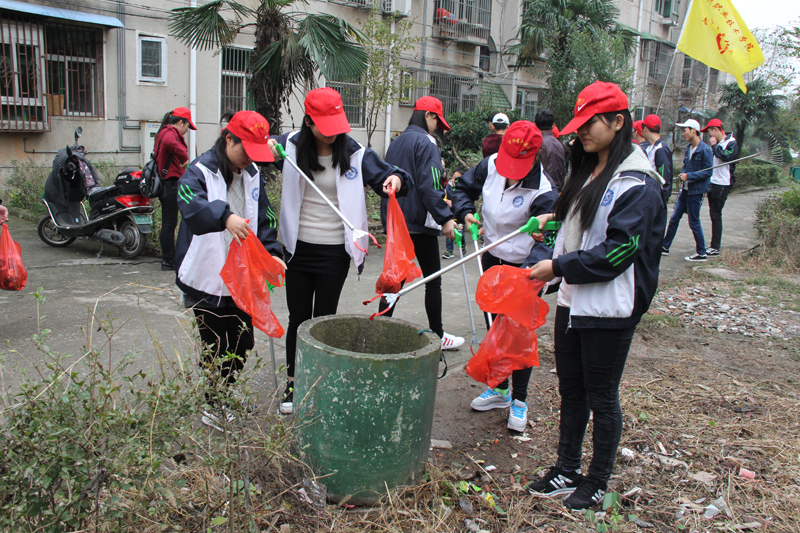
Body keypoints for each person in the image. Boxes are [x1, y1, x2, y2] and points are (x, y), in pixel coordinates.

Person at [526, 81, 666, 510]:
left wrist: (558, 266)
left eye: (590, 124)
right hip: (573, 299)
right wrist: (556, 218)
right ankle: (566, 468)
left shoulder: (637, 183)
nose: (580, 133)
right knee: (572, 389)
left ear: (618, 122)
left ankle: (598, 479)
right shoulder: (588, 169)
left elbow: (619, 252)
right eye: (578, 125)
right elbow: (584, 223)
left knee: (602, 394)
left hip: (611, 304)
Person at [268, 87, 407, 415]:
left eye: (336, 127)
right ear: (308, 121)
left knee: (323, 319)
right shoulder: (288, 146)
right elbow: (254, 150)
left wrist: (395, 181)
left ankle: (318, 381)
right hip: (297, 248)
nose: (331, 135)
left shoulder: (355, 152)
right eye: (323, 127)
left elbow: (391, 174)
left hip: (335, 251)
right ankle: (293, 383)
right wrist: (267, 149)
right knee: (298, 318)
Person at [174, 110, 285, 431]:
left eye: (255, 153)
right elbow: (189, 203)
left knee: (242, 342)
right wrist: (224, 216)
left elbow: (264, 218)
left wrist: (273, 252)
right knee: (214, 345)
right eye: (245, 150)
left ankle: (224, 393)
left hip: (241, 277)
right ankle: (213, 403)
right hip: (206, 275)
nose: (249, 159)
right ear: (228, 139)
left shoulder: (251, 174)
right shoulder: (200, 171)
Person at [451, 121, 559, 432]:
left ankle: (520, 400)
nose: (510, 172)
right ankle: (499, 389)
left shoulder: (544, 190)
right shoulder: (491, 165)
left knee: (518, 334)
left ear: (534, 157)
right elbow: (463, 189)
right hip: (492, 258)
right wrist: (466, 213)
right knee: (493, 326)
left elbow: (549, 239)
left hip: (525, 268)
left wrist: (530, 276)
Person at [378, 96, 463, 351]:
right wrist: (445, 218)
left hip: (397, 221)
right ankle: (437, 335)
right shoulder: (427, 142)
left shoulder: (396, 142)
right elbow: (430, 184)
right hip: (419, 221)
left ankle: (379, 334)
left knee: (394, 282)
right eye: (437, 121)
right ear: (428, 116)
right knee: (433, 280)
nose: (438, 128)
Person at [661, 119, 713, 262]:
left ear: (694, 130)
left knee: (694, 221)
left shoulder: (705, 150)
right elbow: (686, 166)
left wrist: (688, 176)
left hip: (696, 191)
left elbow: (708, 172)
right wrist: (683, 174)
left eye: (685, 130)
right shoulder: (688, 149)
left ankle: (701, 252)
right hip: (685, 190)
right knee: (674, 218)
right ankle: (665, 246)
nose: (683, 133)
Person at [155, 107, 196, 271]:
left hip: (168, 184)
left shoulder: (163, 131)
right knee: (169, 224)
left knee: (170, 223)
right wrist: (184, 157)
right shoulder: (169, 132)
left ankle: (171, 257)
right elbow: (170, 143)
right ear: (180, 122)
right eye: (187, 127)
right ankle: (168, 260)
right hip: (170, 184)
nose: (186, 131)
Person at [700, 118, 739, 256]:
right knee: (713, 214)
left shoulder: (731, 142)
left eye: (709, 132)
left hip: (723, 184)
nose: (709, 135)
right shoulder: (718, 143)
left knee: (716, 214)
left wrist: (715, 146)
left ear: (716, 129)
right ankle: (713, 245)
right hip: (713, 182)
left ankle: (715, 246)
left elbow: (726, 157)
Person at [641, 114, 673, 206]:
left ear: (645, 129)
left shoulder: (661, 149)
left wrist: (661, 201)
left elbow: (664, 179)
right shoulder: (651, 147)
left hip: (656, 199)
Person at [535, 109, 567, 192]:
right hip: (558, 188)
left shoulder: (537, 143)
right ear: (553, 125)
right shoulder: (559, 144)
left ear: (535, 125)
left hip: (543, 189)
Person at [443, 166, 467, 259]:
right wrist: (446, 202)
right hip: (450, 215)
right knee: (450, 232)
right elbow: (443, 197)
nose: (454, 180)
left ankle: (463, 245)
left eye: (457, 178)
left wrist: (455, 203)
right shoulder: (448, 188)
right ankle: (449, 251)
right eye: (453, 178)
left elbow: (465, 201)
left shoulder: (463, 189)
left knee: (460, 233)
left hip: (460, 215)